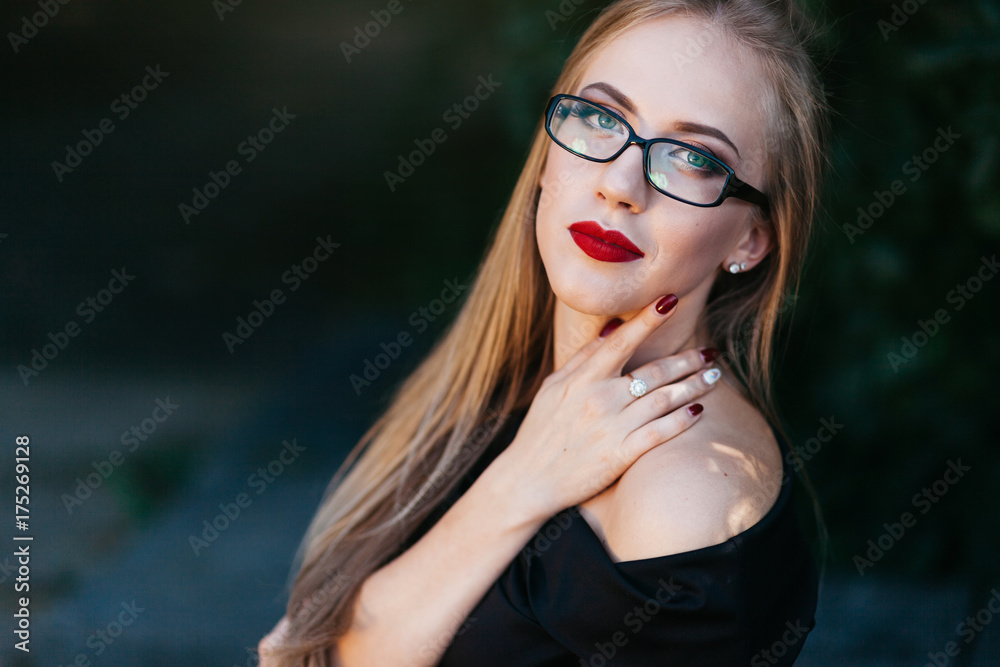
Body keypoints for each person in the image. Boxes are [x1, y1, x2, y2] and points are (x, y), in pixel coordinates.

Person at [260, 0, 829, 664]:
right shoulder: (512, 381)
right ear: (547, 151)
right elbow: (346, 645)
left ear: (752, 237)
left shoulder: (683, 494)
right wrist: (522, 482)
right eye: (599, 118)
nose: (619, 185)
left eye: (692, 158)